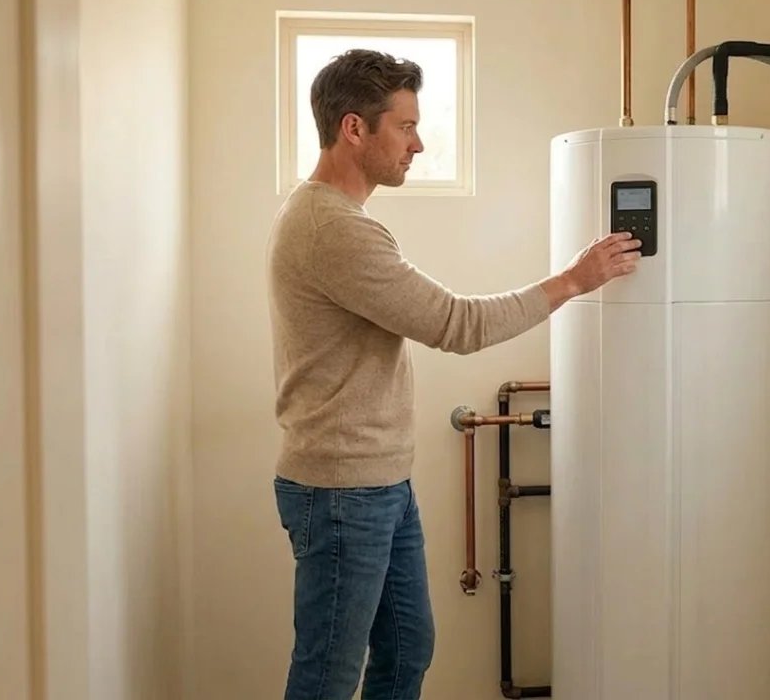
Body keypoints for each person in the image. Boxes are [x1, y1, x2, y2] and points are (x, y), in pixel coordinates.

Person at [266, 48, 642, 700]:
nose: (418, 143)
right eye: (405, 126)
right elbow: (456, 325)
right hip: (342, 489)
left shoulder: (338, 221)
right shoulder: (333, 229)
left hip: (377, 479)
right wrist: (575, 280)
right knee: (327, 676)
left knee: (409, 647)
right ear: (355, 128)